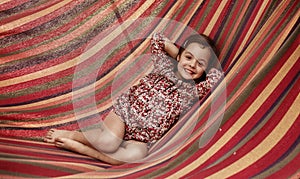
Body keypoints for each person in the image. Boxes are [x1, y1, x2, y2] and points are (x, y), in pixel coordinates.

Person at [44, 32, 223, 165]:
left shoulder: (193, 90)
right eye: (189, 57)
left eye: (200, 64)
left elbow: (216, 75)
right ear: (179, 56)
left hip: (143, 137)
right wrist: (178, 54)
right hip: (125, 115)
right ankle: (74, 135)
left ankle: (84, 150)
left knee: (136, 157)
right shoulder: (164, 66)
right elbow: (157, 39)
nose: (192, 65)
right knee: (108, 142)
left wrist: (195, 61)